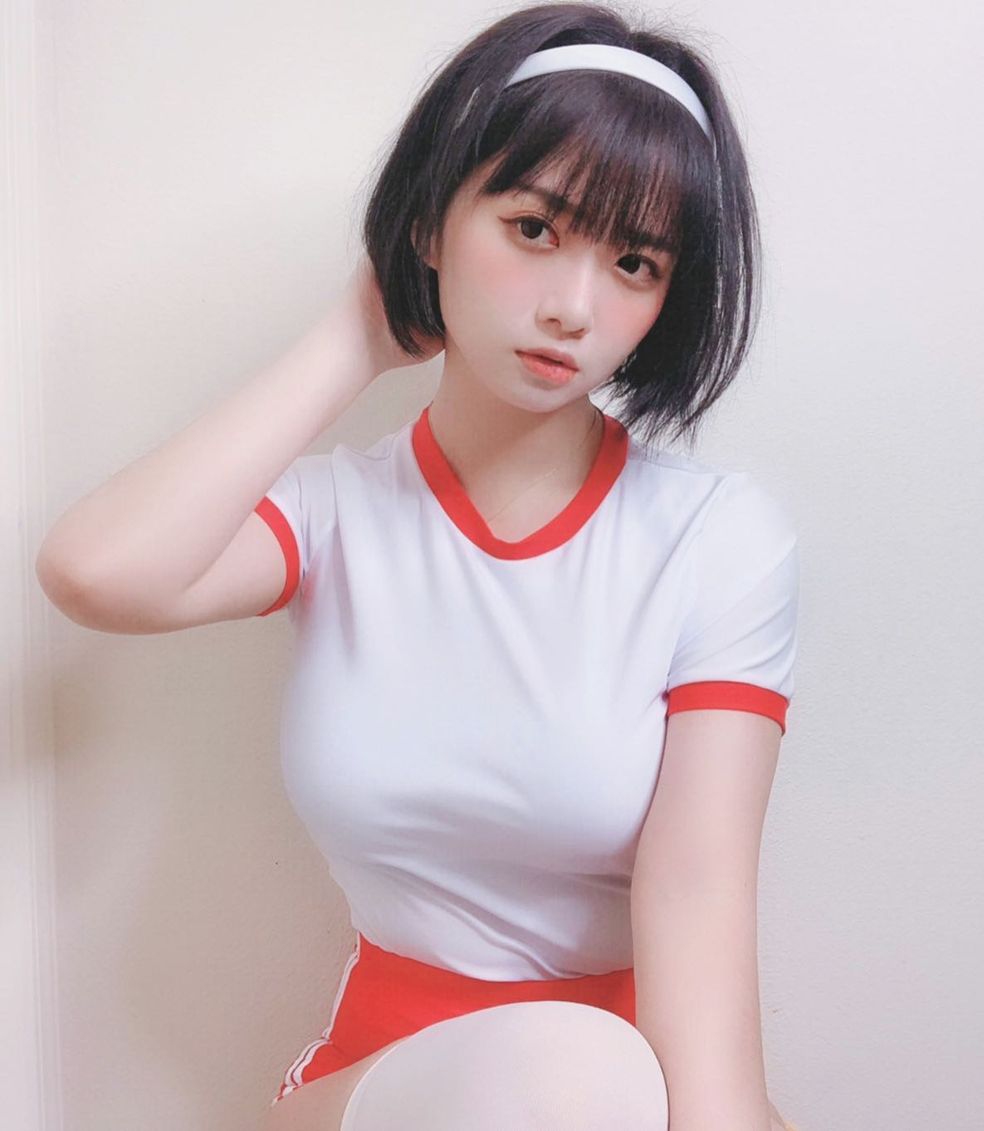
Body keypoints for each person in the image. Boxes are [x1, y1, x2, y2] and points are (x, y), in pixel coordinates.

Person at [35, 3, 802, 1129]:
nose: (573, 307)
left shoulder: (714, 539)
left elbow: (697, 891)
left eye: (634, 262)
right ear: (433, 222)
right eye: (533, 228)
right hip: (390, 1076)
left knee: (604, 1080)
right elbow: (97, 572)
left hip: (638, 1078)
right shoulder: (334, 517)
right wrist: (358, 333)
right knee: (571, 1075)